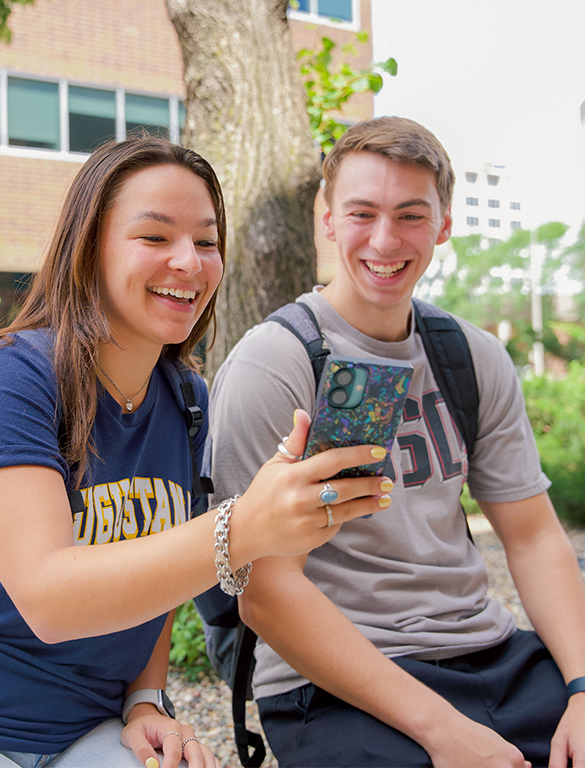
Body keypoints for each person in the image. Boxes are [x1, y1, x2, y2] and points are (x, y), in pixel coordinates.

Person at [0, 136, 390, 768]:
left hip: (85, 722)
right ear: (88, 248)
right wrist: (241, 530)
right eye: (155, 238)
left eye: (207, 242)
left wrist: (146, 700)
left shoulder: (186, 401)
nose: (189, 262)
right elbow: (50, 597)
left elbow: (156, 569)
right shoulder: (5, 378)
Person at [207, 117, 585, 768]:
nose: (385, 239)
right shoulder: (273, 364)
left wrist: (581, 687)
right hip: (332, 683)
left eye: (411, 215)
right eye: (362, 213)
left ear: (443, 224)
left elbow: (533, 536)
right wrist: (444, 733)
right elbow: (265, 591)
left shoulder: (473, 355)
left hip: (490, 655)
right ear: (327, 219)